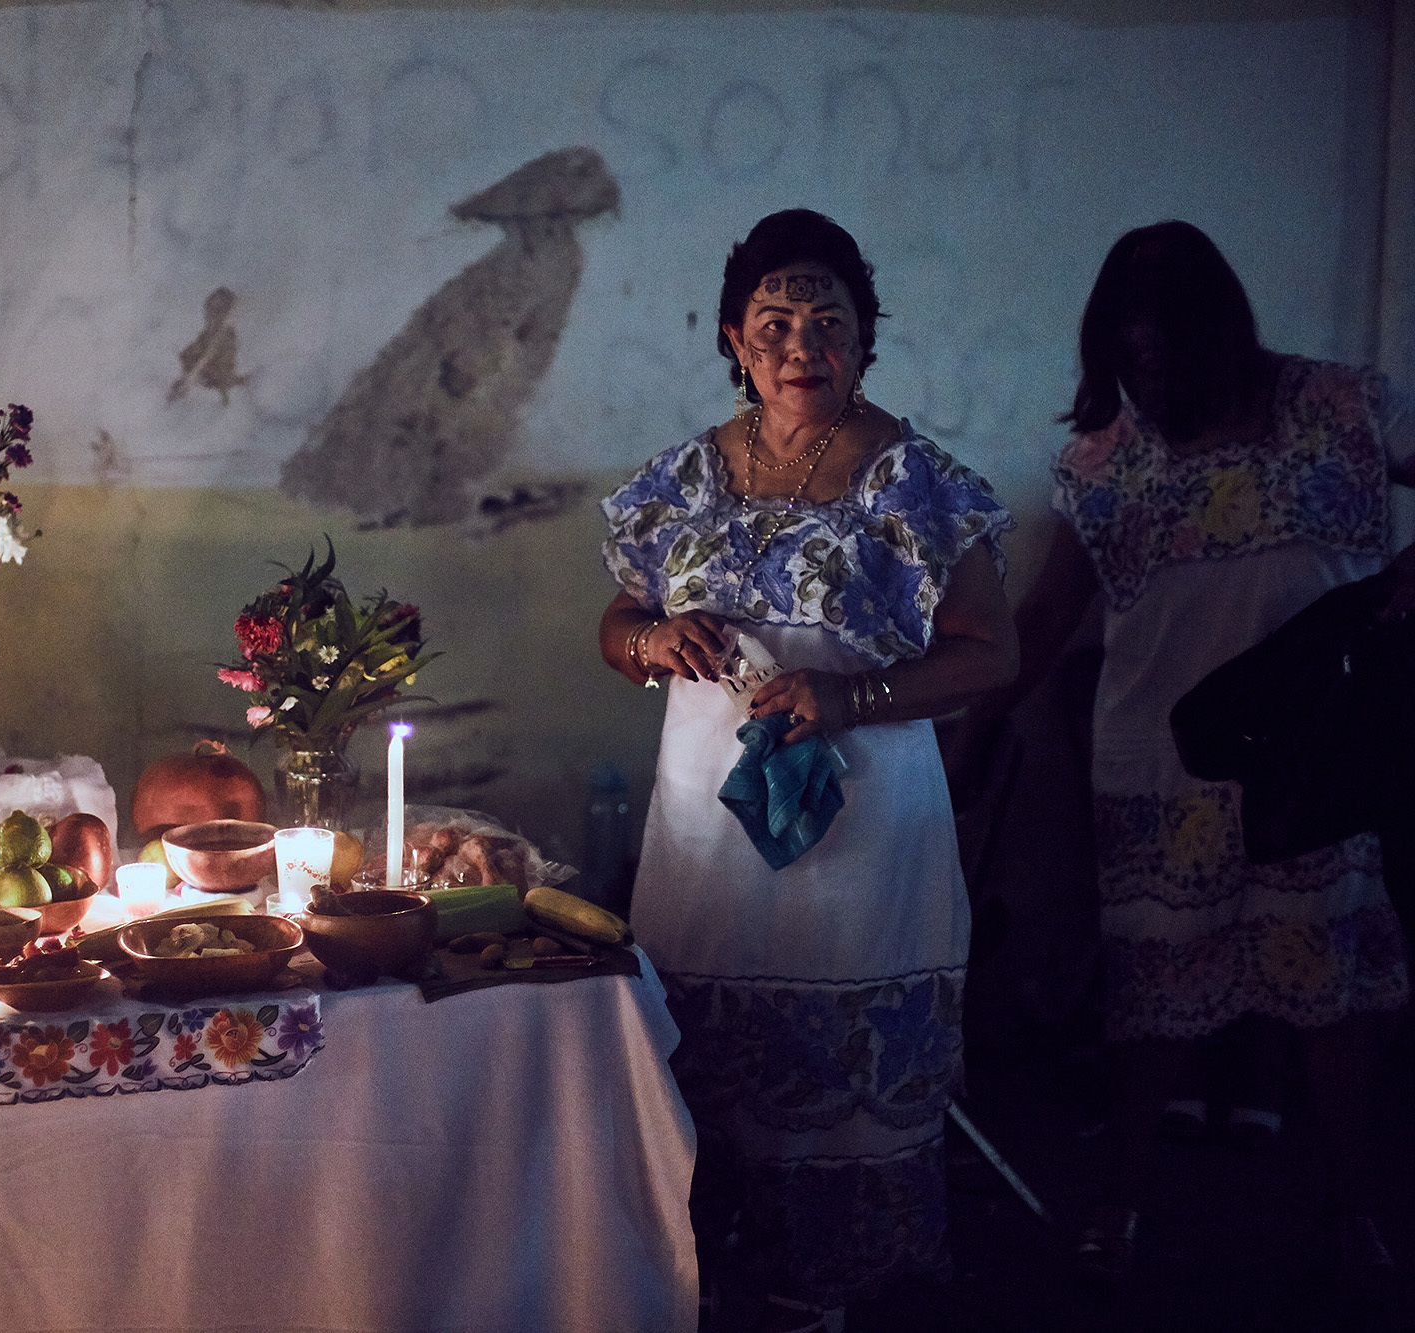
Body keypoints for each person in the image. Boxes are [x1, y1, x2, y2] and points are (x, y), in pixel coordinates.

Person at [949, 220, 1415, 1286]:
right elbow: (1049, 612)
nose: (1144, 367)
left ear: (1222, 333)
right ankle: (1119, 1199)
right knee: (1151, 998)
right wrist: (976, 731)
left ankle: (1352, 1210)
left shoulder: (1341, 409)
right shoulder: (1098, 464)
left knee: (1327, 995)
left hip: (1319, 760)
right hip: (1161, 766)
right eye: (1123, 348)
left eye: (1165, 345)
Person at [598, 209, 1018, 1333]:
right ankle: (707, 1284)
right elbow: (617, 620)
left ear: (863, 338)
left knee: (839, 1095)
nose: (800, 344)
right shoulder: (682, 476)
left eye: (826, 320)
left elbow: (993, 648)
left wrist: (851, 696)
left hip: (867, 825)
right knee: (706, 1053)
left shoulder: (916, 481)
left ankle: (823, 1297)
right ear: (734, 337)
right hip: (702, 819)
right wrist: (645, 642)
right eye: (774, 321)